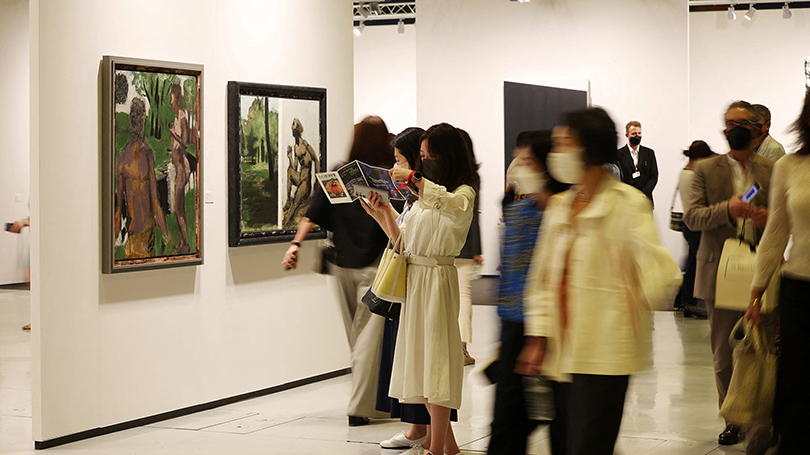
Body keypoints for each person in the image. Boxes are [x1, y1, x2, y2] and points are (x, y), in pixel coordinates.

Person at [515, 108, 681, 455]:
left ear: (588, 148)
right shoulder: (560, 206)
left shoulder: (628, 204)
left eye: (564, 143)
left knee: (589, 444)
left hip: (606, 352)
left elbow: (661, 270)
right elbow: (542, 278)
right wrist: (537, 336)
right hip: (561, 350)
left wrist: (628, 295)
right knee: (565, 443)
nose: (556, 152)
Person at [362, 123, 476, 455]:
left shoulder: (462, 194)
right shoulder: (420, 198)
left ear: (446, 156)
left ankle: (437, 448)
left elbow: (450, 204)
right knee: (421, 363)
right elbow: (404, 244)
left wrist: (414, 179)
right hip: (415, 281)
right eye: (421, 156)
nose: (423, 162)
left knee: (436, 362)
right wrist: (383, 212)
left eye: (428, 156)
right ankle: (447, 447)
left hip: (437, 282)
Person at [281, 115, 394, 426]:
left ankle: (368, 402)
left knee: (357, 337)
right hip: (376, 268)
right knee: (366, 337)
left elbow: (313, 214)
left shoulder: (341, 174)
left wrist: (295, 245)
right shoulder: (386, 178)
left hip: (342, 265)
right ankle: (360, 406)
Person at [683, 100, 774, 447]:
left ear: (756, 128)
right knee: (724, 354)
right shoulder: (706, 169)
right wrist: (728, 209)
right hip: (718, 271)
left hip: (760, 270)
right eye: (729, 122)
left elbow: (783, 215)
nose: (734, 128)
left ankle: (760, 421)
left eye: (741, 123)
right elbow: (693, 217)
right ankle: (732, 419)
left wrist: (767, 217)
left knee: (761, 349)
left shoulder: (771, 168)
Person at [487, 130, 570, 455]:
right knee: (509, 419)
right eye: (519, 160)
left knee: (562, 419)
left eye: (528, 162)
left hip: (554, 328)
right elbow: (509, 276)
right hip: (517, 327)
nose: (520, 167)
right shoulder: (519, 213)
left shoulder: (564, 215)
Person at [747, 88, 810, 455]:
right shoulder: (789, 166)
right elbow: (775, 234)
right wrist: (755, 293)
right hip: (800, 287)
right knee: (797, 378)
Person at [114, 98, 172, 258]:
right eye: (135, 114)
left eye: (138, 114)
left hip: (144, 234)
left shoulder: (142, 154)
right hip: (136, 234)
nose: (136, 119)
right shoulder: (129, 156)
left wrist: (167, 236)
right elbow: (119, 208)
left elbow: (154, 201)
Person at [678, 140, 716, 318]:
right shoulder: (693, 176)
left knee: (693, 262)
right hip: (696, 225)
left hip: (689, 224)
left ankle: (685, 300)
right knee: (695, 264)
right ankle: (688, 301)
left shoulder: (684, 173)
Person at [456, 129, 483, 366]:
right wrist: (476, 248)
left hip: (444, 243)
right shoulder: (473, 176)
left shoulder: (442, 174)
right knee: (463, 295)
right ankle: (462, 348)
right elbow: (474, 214)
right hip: (464, 243)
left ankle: (454, 347)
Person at [283, 118, 320, 228]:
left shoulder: (305, 145)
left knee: (295, 204)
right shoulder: (295, 147)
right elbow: (294, 167)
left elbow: (316, 160)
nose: (294, 128)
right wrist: (290, 157)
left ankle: (286, 225)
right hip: (299, 178)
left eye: (295, 126)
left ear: (299, 129)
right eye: (293, 126)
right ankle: (288, 200)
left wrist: (317, 179)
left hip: (305, 181)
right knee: (289, 170)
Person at [168, 84, 191, 254]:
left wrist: (173, 134)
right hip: (178, 167)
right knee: (180, 207)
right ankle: (183, 243)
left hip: (182, 167)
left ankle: (186, 244)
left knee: (177, 207)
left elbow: (185, 142)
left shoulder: (182, 116)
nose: (170, 102)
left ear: (176, 97)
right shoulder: (177, 116)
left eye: (171, 98)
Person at [617, 120, 658, 206]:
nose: (637, 136)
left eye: (639, 133)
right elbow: (618, 177)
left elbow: (654, 176)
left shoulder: (649, 153)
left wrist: (643, 193)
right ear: (627, 135)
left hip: (645, 199)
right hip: (626, 201)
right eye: (634, 134)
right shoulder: (618, 154)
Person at [7, 210, 30, 330]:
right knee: (31, 280)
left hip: (43, 239)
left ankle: (40, 318)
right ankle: (38, 317)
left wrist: (22, 223)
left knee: (35, 281)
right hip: (35, 239)